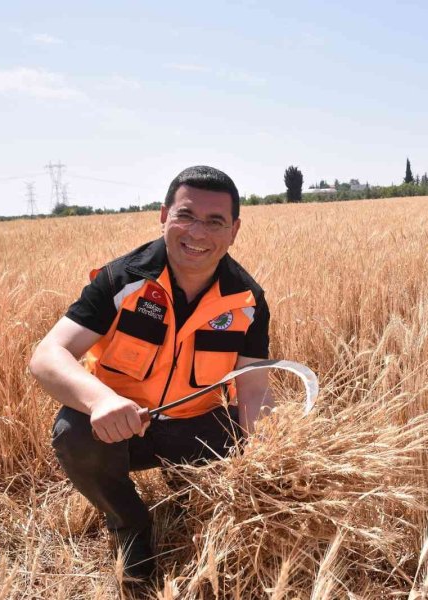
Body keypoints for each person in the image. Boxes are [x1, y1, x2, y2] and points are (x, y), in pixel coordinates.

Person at [29, 165, 273, 583]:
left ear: (234, 230)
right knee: (75, 431)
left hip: (196, 429)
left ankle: (189, 491)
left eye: (215, 221)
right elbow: (47, 356)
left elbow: (253, 393)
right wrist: (101, 401)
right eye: (186, 216)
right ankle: (129, 524)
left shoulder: (247, 300)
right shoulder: (121, 280)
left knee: (245, 434)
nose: (197, 233)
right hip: (123, 427)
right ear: (164, 216)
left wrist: (269, 462)